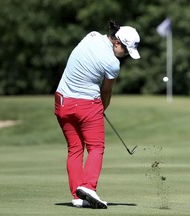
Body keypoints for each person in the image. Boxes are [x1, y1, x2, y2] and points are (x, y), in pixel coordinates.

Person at [54, 20, 141, 209]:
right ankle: (88, 187)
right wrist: (101, 110)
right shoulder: (113, 63)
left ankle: (78, 197)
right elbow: (106, 93)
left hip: (62, 102)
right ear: (117, 43)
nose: (125, 55)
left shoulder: (91, 35)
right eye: (126, 51)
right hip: (86, 104)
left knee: (75, 148)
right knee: (96, 147)